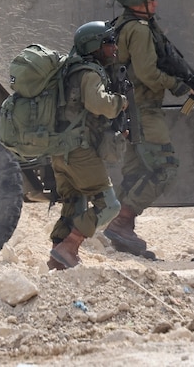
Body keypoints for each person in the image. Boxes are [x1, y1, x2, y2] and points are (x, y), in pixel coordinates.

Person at [102, 0, 194, 260]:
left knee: (135, 172)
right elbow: (147, 73)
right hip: (143, 110)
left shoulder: (121, 26)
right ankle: (120, 223)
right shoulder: (140, 30)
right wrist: (178, 85)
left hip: (129, 109)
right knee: (165, 168)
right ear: (137, 2)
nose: (154, 4)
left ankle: (121, 232)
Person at [47, 22, 128, 270]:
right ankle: (69, 246)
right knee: (110, 206)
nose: (113, 48)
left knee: (74, 203)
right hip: (80, 151)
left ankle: (58, 258)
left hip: (60, 152)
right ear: (94, 46)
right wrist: (120, 102)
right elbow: (97, 104)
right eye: (108, 43)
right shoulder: (90, 72)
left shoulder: (69, 71)